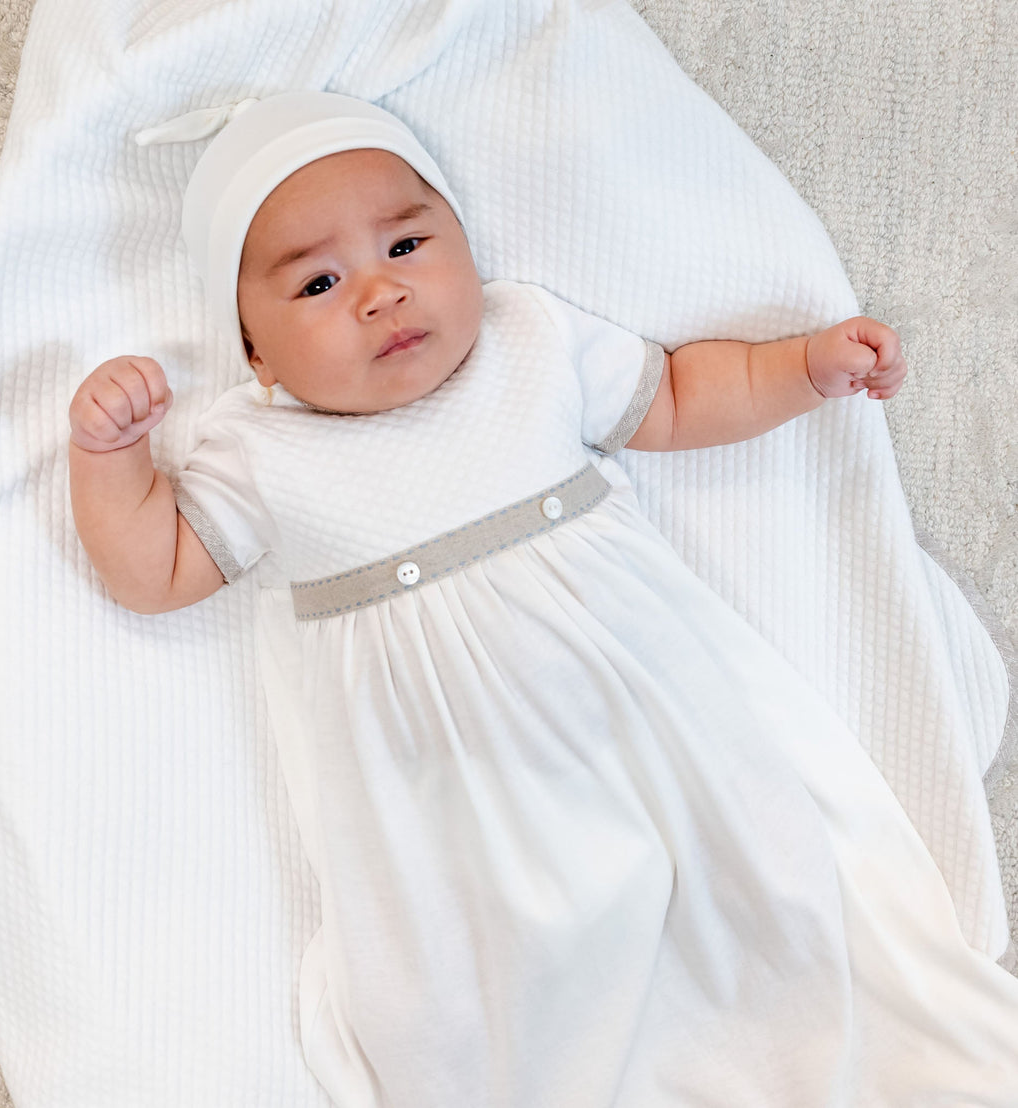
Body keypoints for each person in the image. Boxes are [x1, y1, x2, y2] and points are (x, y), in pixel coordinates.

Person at [69, 92, 1018, 1106]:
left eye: (406, 244)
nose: (379, 295)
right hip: (440, 790)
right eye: (318, 280)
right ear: (255, 354)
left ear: (464, 246)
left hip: (635, 714)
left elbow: (682, 394)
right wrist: (110, 458)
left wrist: (801, 367)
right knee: (473, 991)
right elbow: (155, 569)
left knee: (753, 881)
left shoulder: (529, 342)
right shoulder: (257, 451)